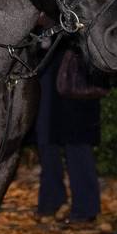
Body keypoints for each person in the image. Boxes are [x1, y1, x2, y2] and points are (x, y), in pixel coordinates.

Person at [36, 44, 102, 224]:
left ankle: (85, 208)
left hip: (75, 76)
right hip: (47, 74)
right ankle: (51, 202)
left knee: (77, 143)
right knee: (46, 141)